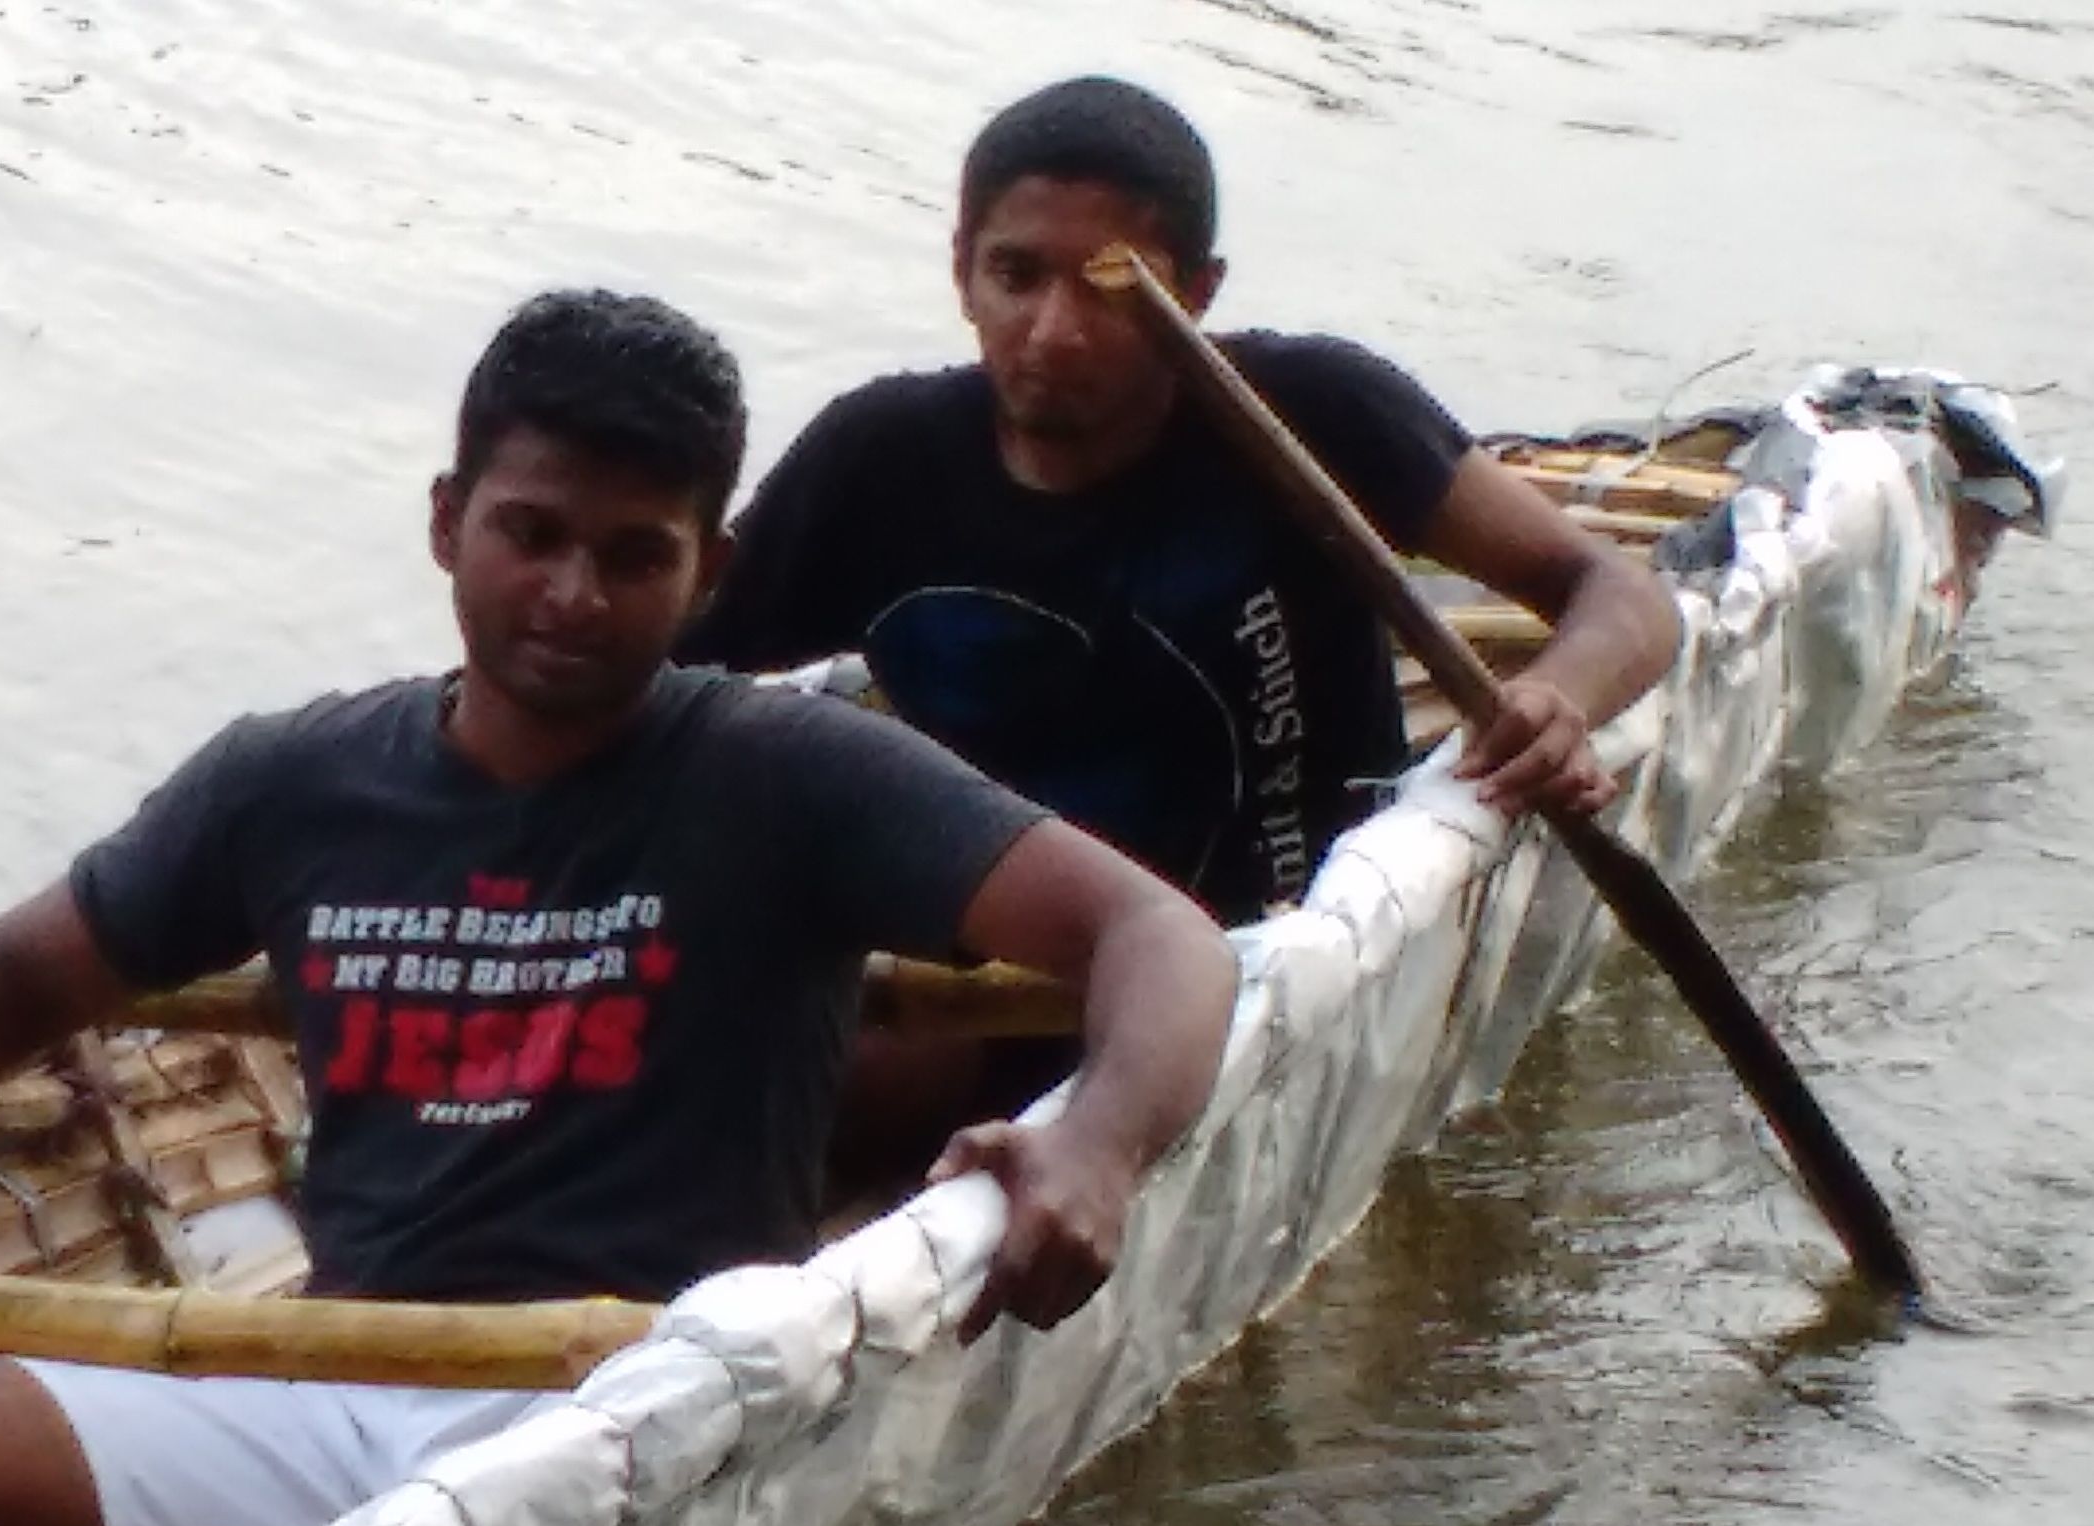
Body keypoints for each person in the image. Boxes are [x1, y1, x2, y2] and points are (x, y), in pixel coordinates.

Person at [0, 289, 1241, 1526]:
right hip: (332, 1379)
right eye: (530, 537)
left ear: (709, 573)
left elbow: (1156, 939)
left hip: (610, 1420)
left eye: (632, 555)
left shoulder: (785, 773)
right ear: (449, 521)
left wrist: (1092, 1146)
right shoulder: (297, 782)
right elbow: (26, 973)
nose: (573, 597)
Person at [682, 75, 1685, 926]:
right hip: (989, 942)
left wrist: (1557, 701)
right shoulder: (877, 459)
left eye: (1107, 287)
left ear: (1196, 296)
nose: (1051, 331)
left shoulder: (1305, 416)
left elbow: (1617, 593)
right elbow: (662, 674)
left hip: (1284, 948)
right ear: (960, 272)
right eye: (1015, 275)